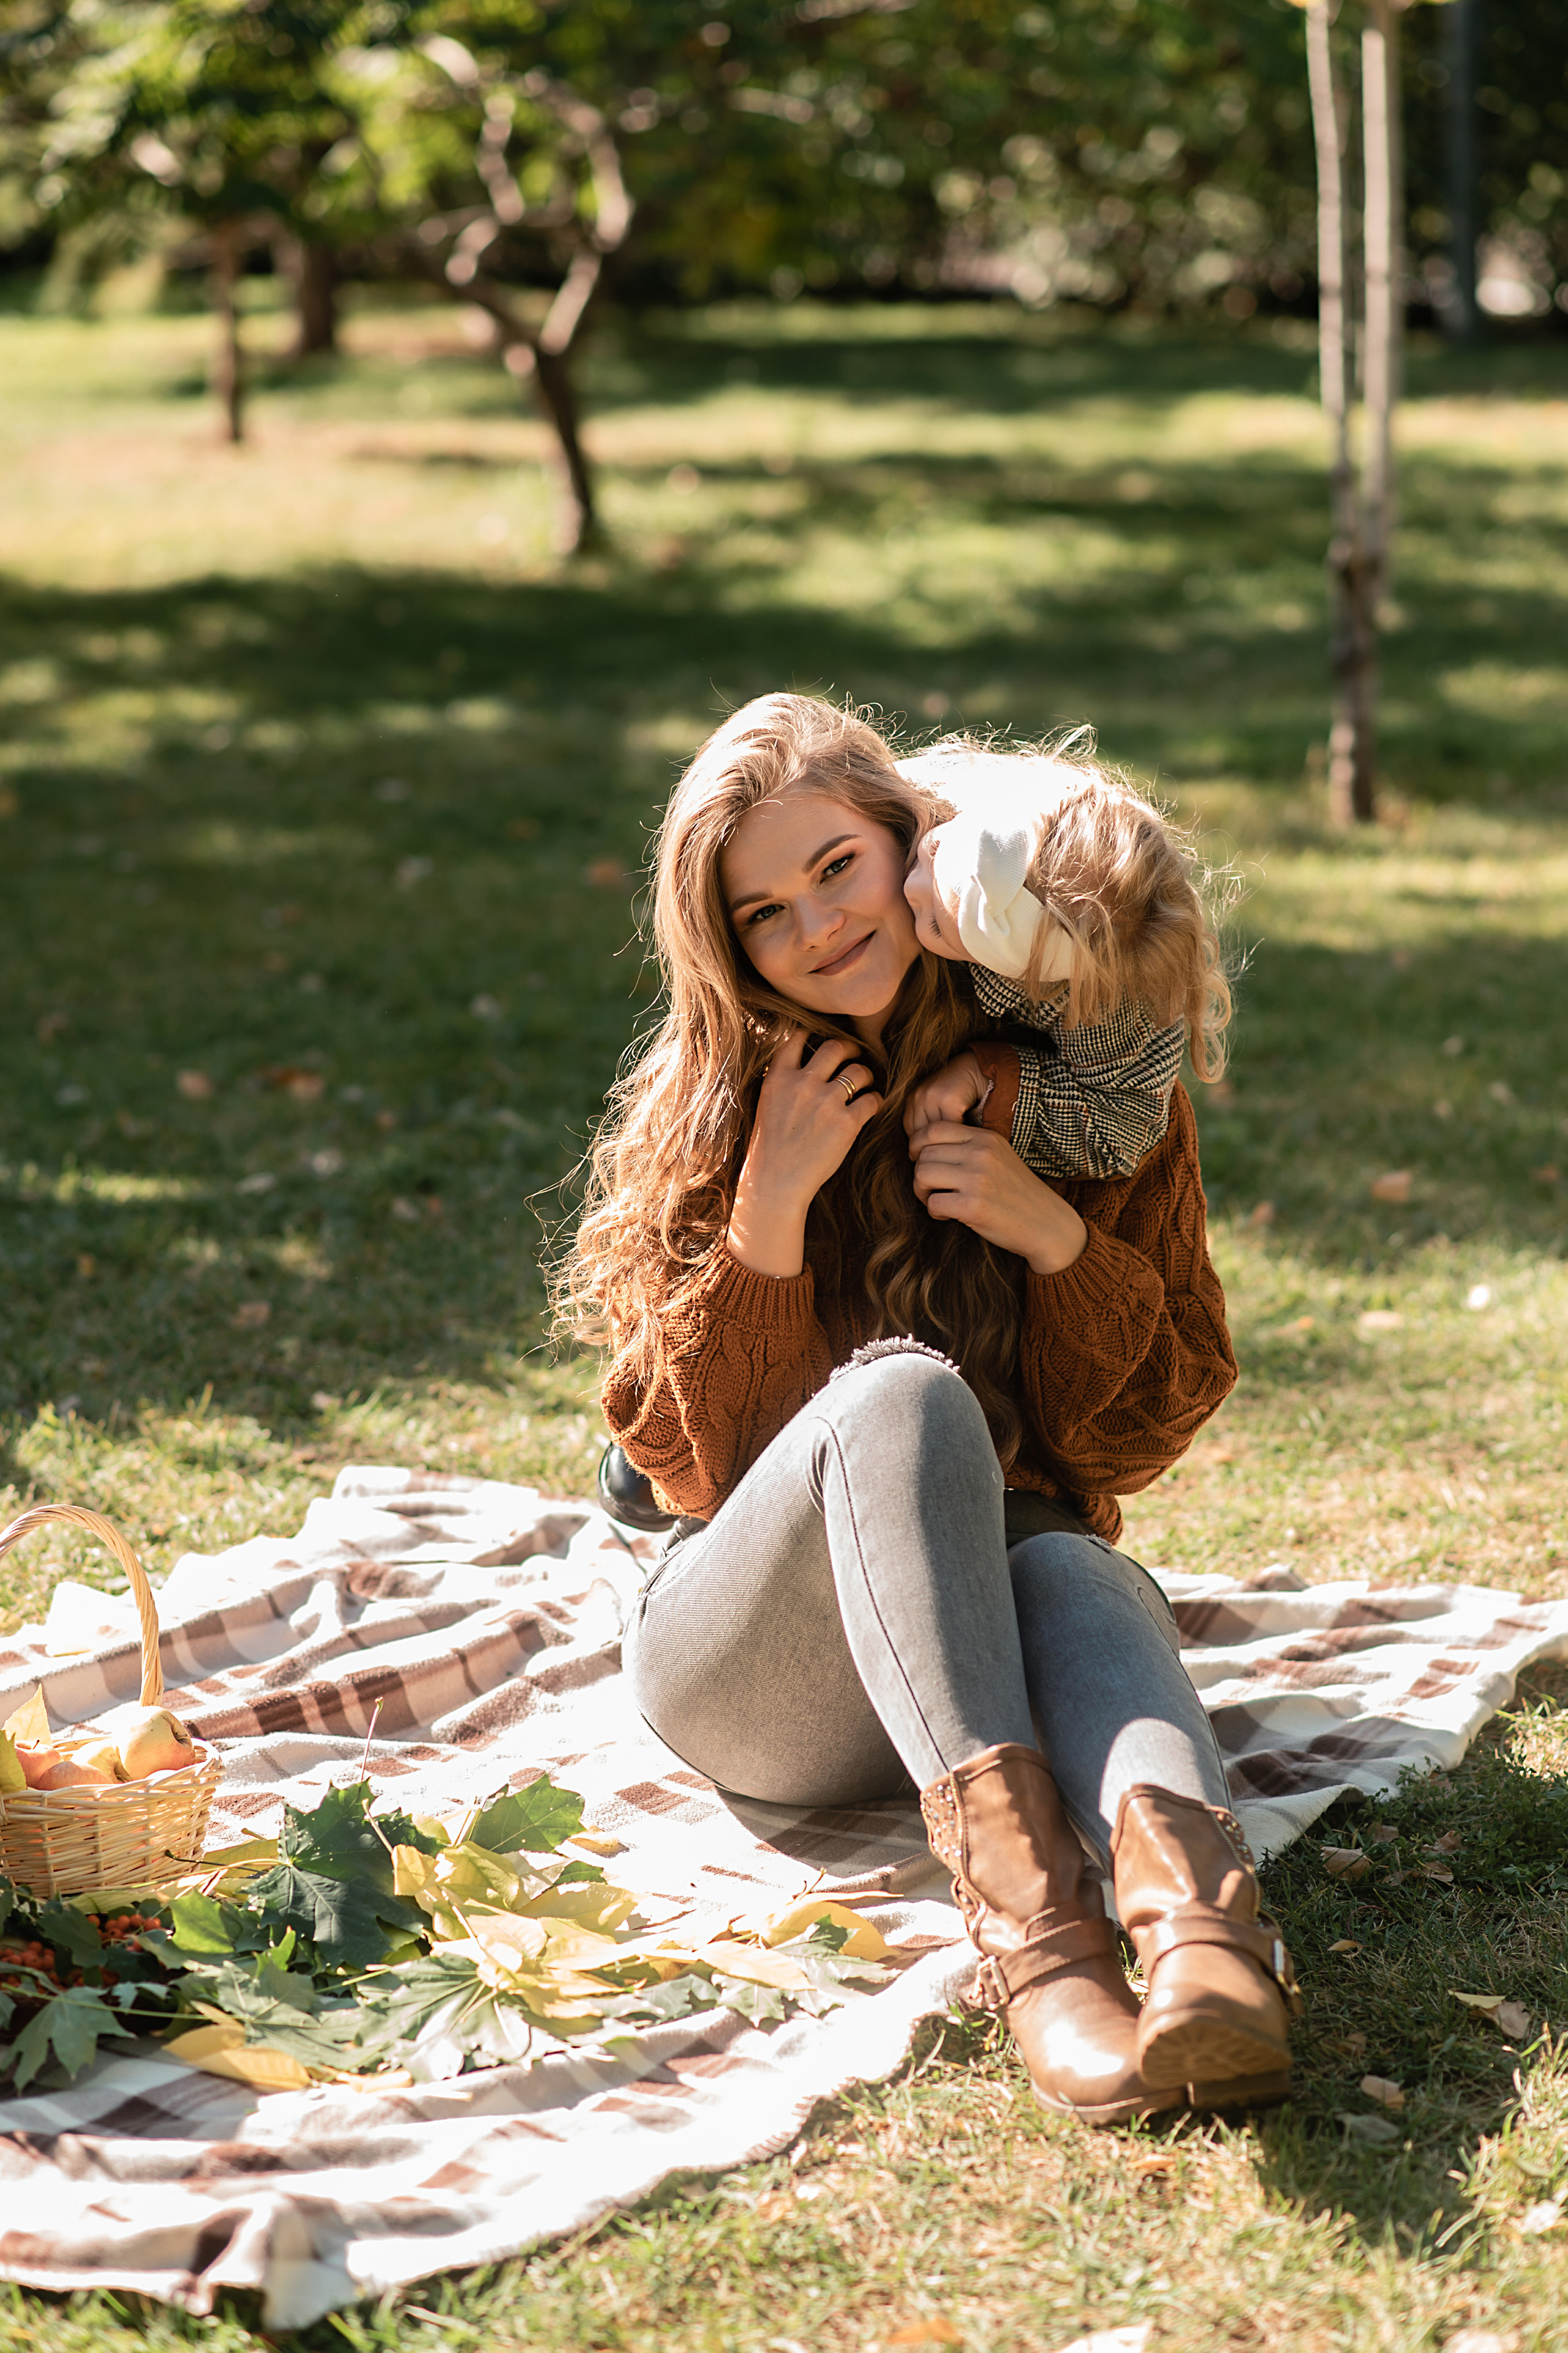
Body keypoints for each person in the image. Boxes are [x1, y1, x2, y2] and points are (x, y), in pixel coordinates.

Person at [562, 693, 1298, 2125]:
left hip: (985, 1642)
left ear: (910, 842)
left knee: (1079, 1566)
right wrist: (766, 1216)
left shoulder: (1079, 1078)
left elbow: (1134, 1433)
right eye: (764, 910)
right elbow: (673, 1459)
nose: (818, 928)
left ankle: (1207, 1945)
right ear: (727, 944)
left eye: (836, 866)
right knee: (900, 1396)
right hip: (760, 1674)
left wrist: (1056, 1240)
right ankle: (1043, 1960)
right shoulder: (724, 1096)